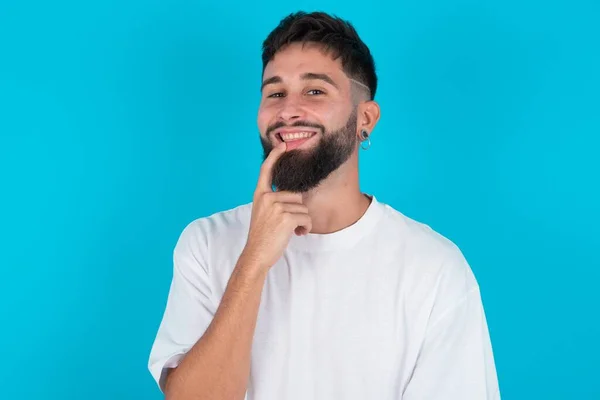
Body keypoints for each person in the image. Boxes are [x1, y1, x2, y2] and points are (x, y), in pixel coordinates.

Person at [148, 10, 500, 400]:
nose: (288, 110)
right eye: (275, 92)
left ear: (365, 118)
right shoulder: (207, 242)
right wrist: (253, 263)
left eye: (315, 91)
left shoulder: (434, 267)